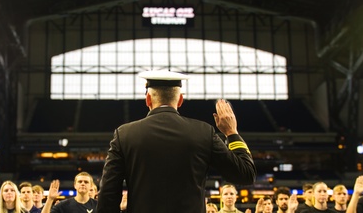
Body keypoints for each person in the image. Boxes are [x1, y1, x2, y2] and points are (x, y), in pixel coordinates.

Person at [96, 70, 256, 213]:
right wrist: (231, 132)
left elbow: (108, 194)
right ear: (180, 100)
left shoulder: (124, 134)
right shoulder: (203, 132)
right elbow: (245, 174)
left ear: (148, 99)